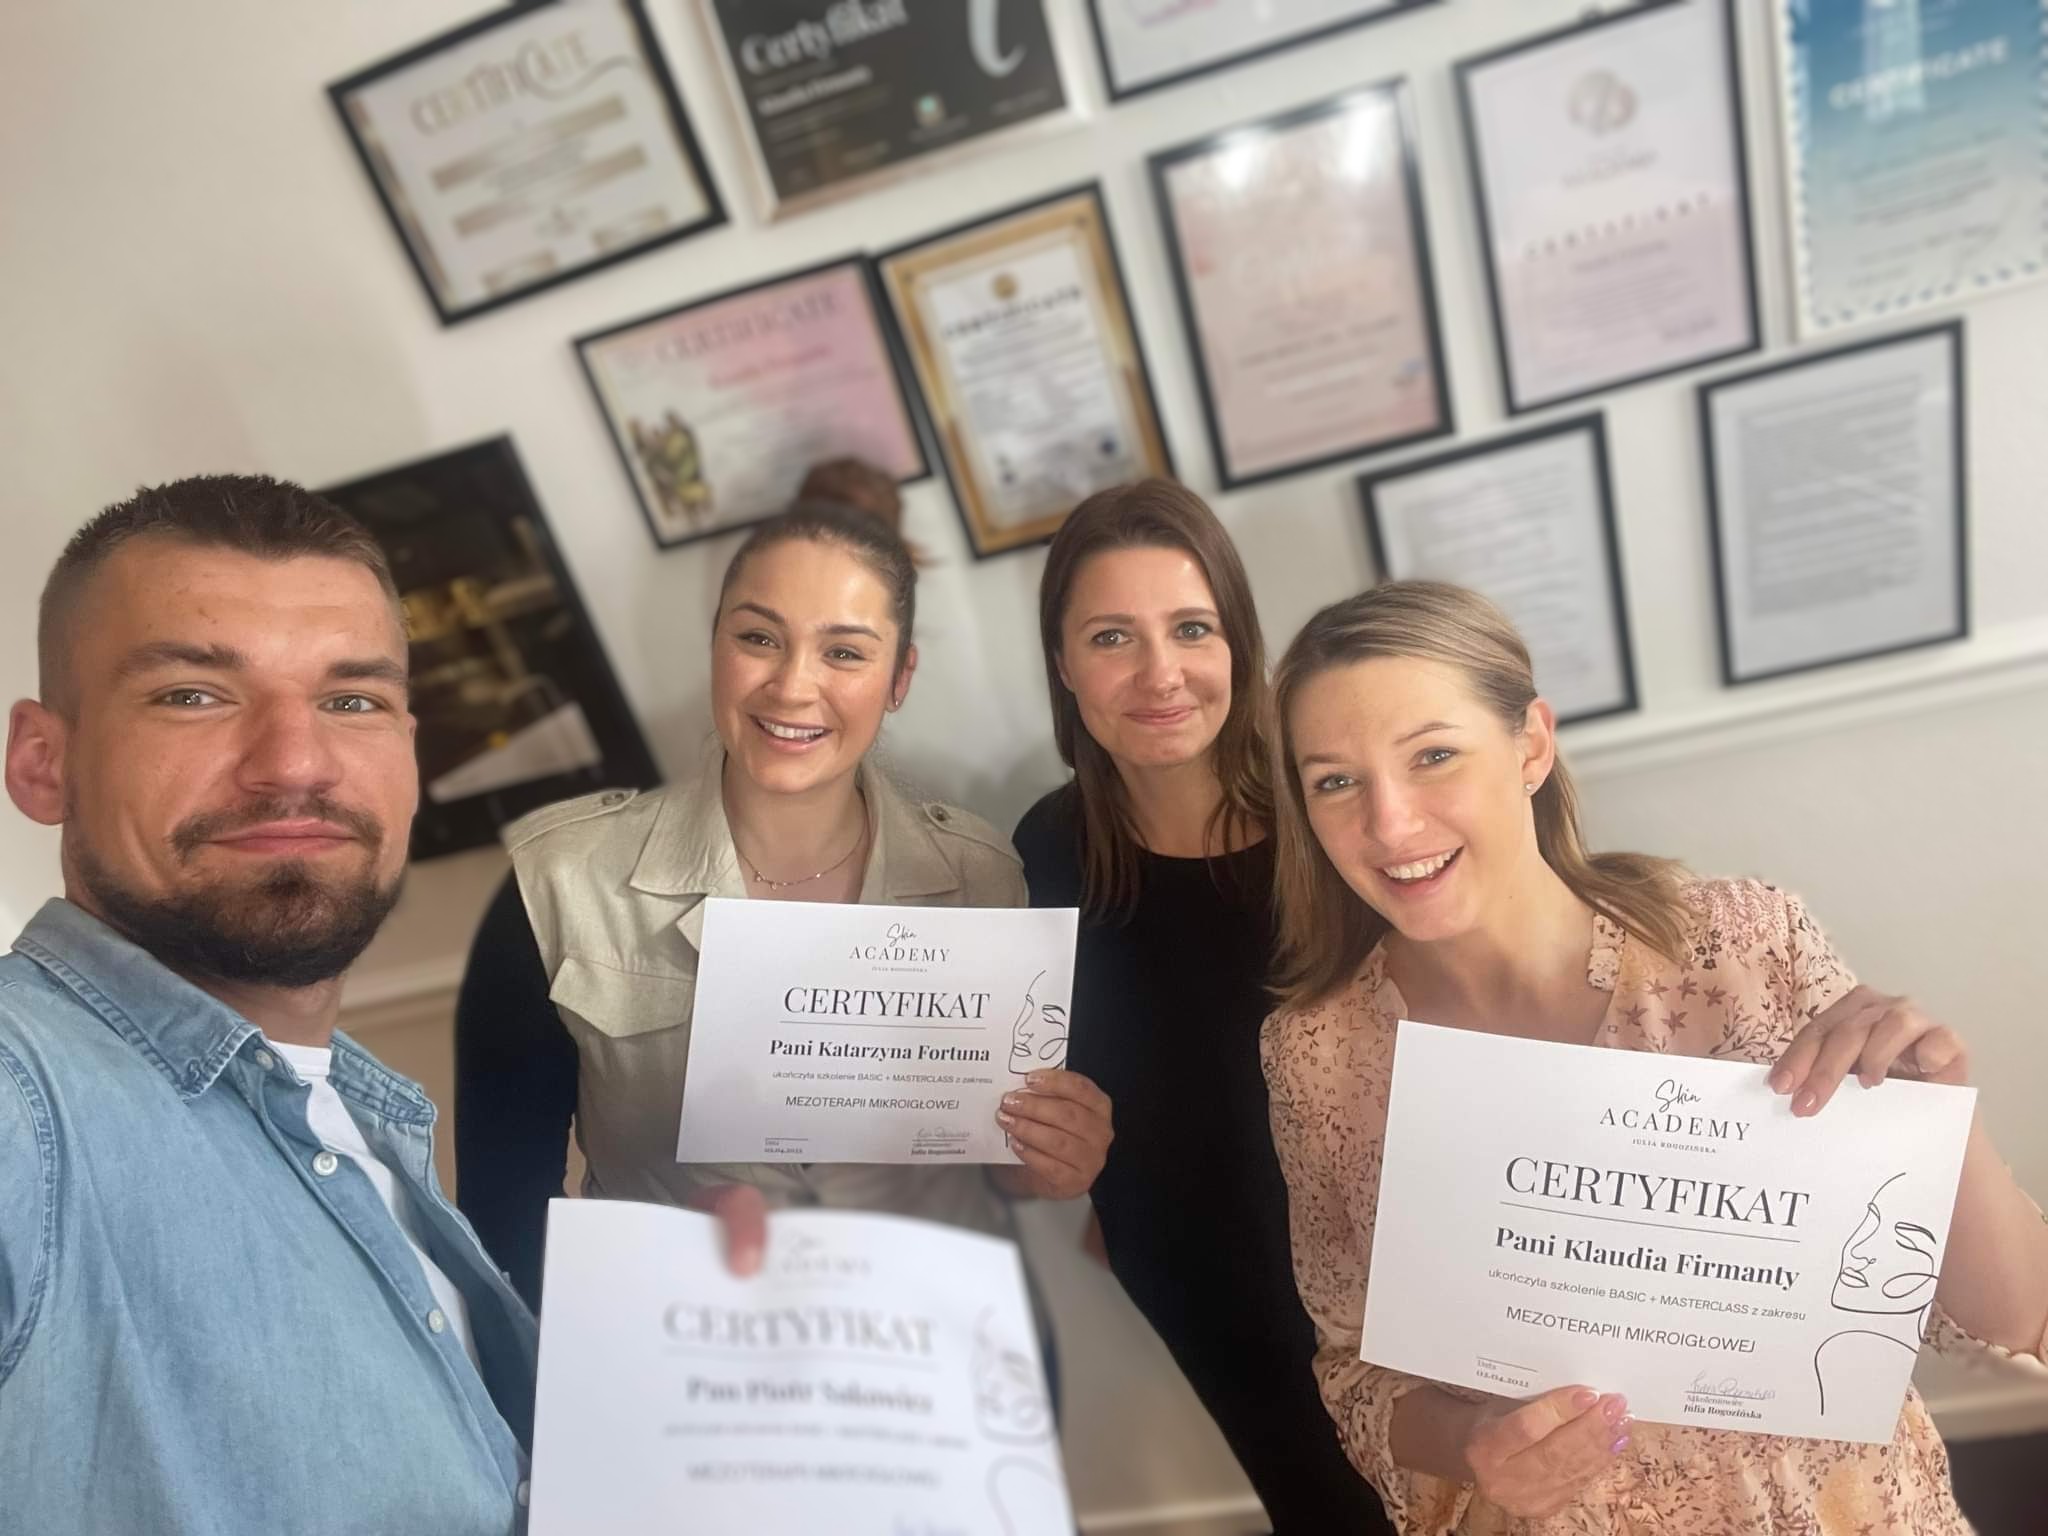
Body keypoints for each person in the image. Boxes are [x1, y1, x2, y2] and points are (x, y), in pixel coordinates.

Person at [1259, 580, 2048, 1533]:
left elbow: (2016, 1318)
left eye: (1433, 755)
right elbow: (1356, 1371)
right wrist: (1473, 1445)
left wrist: (1942, 1119)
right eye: (1335, 781)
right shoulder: (1318, 1052)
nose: (1389, 824)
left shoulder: (1745, 946)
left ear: (1530, 747)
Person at [0, 477, 538, 1534]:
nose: (295, 763)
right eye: (193, 695)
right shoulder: (21, 1105)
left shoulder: (355, 1117)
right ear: (43, 762)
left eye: (352, 700)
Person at [454, 482, 1113, 1309]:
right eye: (760, 638)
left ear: (899, 677)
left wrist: (1049, 1160)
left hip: (920, 1335)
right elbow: (505, 1228)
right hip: (679, 1341)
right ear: (716, 645)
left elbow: (991, 1170)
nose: (794, 686)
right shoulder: (558, 883)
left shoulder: (983, 876)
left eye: (845, 653)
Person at [1010, 480, 1392, 1535]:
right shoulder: (1046, 850)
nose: (1159, 673)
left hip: (1384, 1261)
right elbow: (1063, 1083)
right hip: (1193, 1272)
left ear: (1239, 640)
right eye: (1111, 637)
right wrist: (1065, 1167)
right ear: (1062, 663)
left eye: (1190, 628)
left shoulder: (1333, 807)